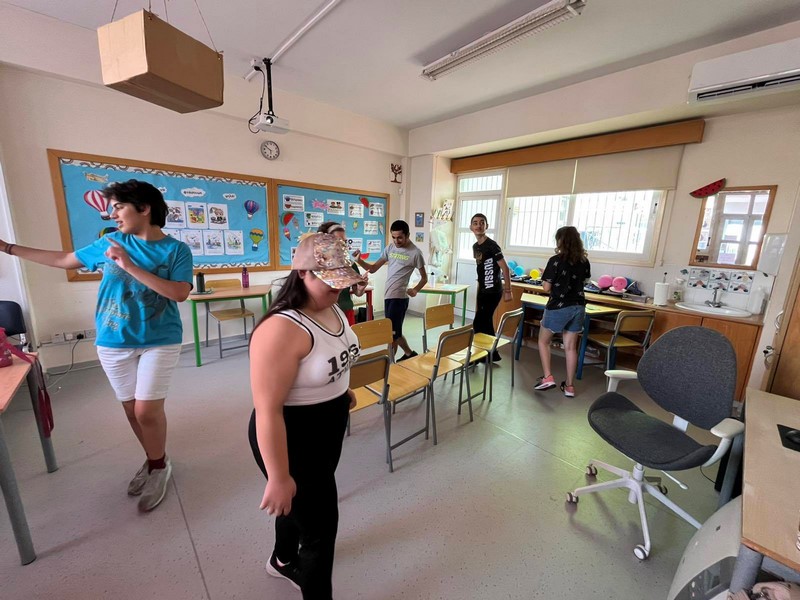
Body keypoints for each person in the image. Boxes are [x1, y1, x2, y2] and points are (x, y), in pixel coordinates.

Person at [0, 179, 193, 511]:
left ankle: (159, 467)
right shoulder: (110, 241)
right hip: (113, 340)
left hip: (160, 339)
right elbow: (65, 259)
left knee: (146, 410)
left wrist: (128, 265)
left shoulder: (176, 250)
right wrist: (7, 247)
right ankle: (154, 459)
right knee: (131, 409)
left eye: (119, 207)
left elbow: (179, 293)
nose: (112, 214)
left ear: (144, 208)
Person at [248, 233, 363, 600]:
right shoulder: (281, 329)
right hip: (292, 434)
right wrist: (278, 476)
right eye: (329, 280)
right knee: (320, 531)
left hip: (328, 423)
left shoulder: (331, 307)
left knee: (300, 507)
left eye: (342, 281)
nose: (337, 289)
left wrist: (339, 389)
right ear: (302, 273)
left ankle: (282, 559)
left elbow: (332, 356)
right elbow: (268, 409)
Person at [354, 219, 426, 361]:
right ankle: (409, 353)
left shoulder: (416, 253)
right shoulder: (390, 248)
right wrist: (359, 260)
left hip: (399, 298)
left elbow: (424, 278)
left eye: (400, 237)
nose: (396, 241)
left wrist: (416, 289)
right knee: (394, 332)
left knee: (391, 334)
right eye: (393, 237)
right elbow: (373, 269)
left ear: (407, 235)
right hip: (388, 295)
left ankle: (388, 364)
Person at [534, 226, 591, 398]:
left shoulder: (555, 260)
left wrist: (546, 277)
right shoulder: (584, 261)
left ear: (560, 241)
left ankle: (547, 377)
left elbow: (546, 288)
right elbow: (584, 281)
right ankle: (569, 386)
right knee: (571, 348)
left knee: (543, 341)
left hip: (558, 306)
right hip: (579, 307)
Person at [470, 213, 512, 361]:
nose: (479, 225)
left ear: (486, 226)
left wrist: (508, 290)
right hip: (483, 289)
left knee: (478, 323)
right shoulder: (476, 246)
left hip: (493, 291)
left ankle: (478, 355)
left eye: (482, 223)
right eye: (475, 223)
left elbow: (505, 269)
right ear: (471, 227)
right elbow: (480, 268)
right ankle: (492, 354)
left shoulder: (492, 245)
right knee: (486, 322)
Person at [317, 221, 368, 325]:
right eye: (338, 242)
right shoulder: (316, 267)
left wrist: (361, 287)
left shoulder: (350, 265)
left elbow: (358, 293)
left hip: (346, 312)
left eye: (345, 242)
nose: (343, 246)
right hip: (325, 315)